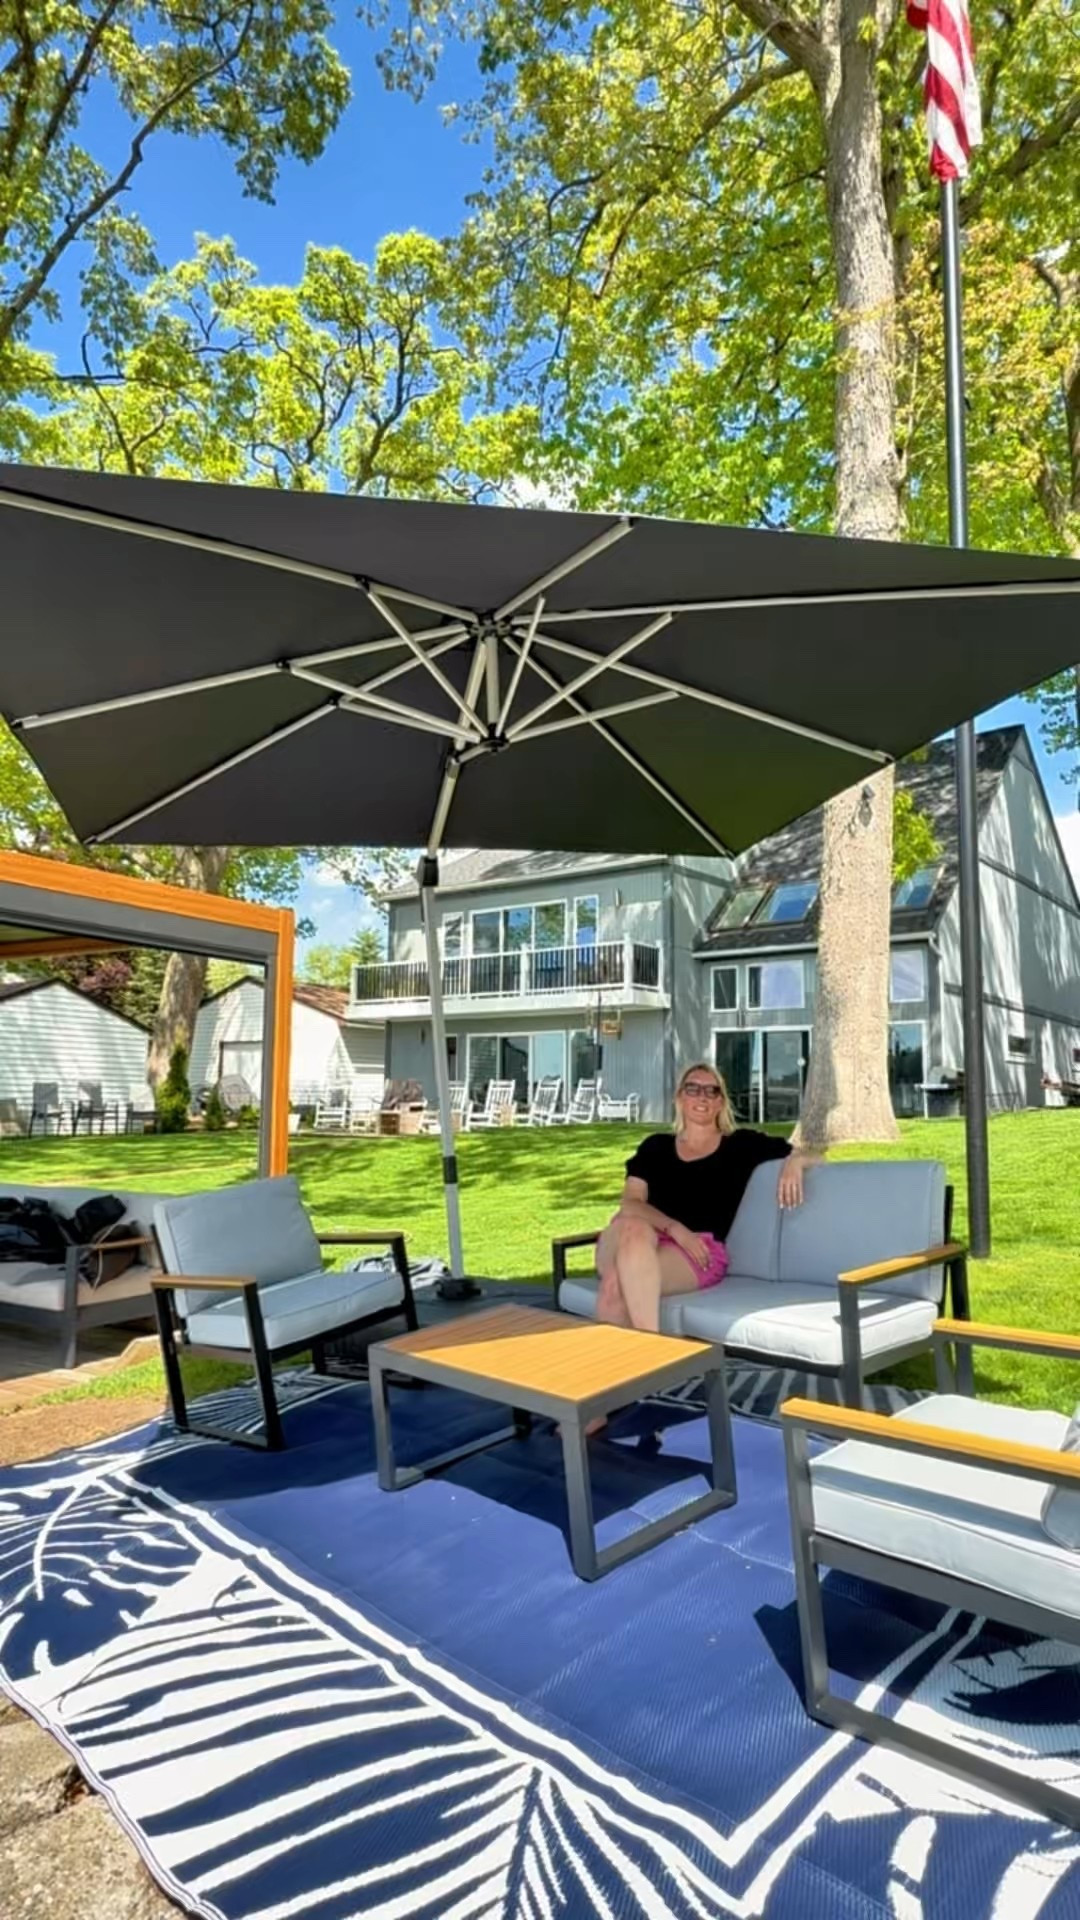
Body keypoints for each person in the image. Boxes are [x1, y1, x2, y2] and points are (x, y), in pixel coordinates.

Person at [595, 1061, 821, 1334]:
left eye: (711, 1091)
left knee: (615, 1285)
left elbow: (814, 1154)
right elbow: (631, 1203)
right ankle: (651, 1353)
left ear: (720, 1102)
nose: (702, 1096)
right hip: (636, 1233)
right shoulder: (655, 1147)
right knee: (634, 1228)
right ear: (680, 1097)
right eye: (693, 1088)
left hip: (697, 1252)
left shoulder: (741, 1146)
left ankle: (627, 1368)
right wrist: (676, 1229)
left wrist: (795, 1162)